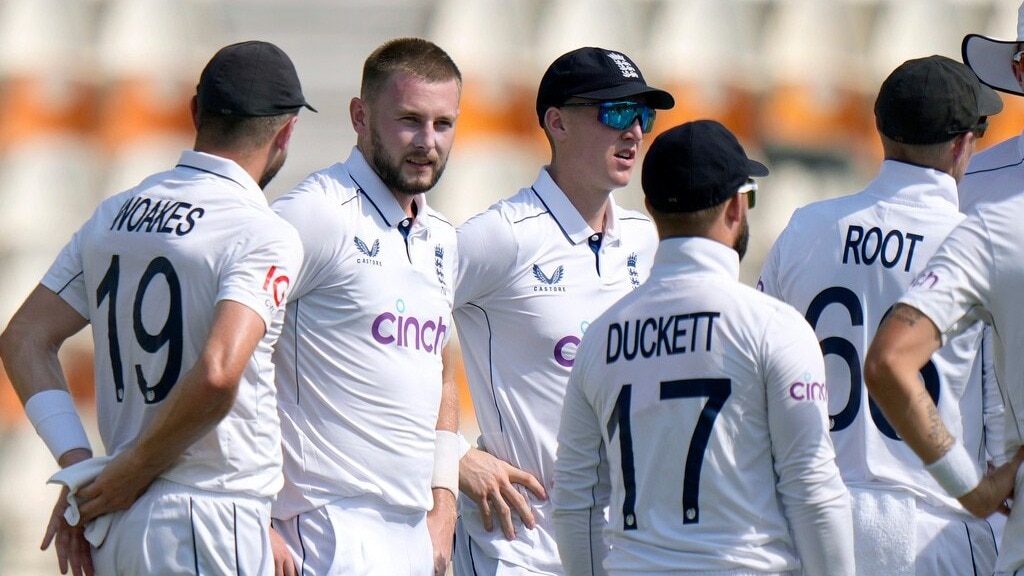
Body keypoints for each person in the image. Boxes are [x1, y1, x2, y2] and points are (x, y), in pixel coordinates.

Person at [0, 40, 312, 575]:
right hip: (207, 514)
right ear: (285, 133)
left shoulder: (114, 213)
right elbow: (218, 374)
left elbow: (23, 338)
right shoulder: (262, 232)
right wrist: (132, 469)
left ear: (195, 112)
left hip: (119, 519)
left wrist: (82, 469)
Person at [553, 119, 855, 576]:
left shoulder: (599, 336)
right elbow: (812, 489)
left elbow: (576, 501)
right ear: (736, 206)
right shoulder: (773, 326)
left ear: (651, 208)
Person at [757, 55, 1004, 575]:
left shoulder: (804, 228)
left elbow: (761, 381)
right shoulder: (980, 244)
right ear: (964, 144)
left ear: (882, 131)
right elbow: (999, 411)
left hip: (816, 523)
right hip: (939, 525)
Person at [452, 46, 673, 575]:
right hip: (519, 545)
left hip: (628, 543)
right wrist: (453, 455)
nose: (635, 132)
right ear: (557, 122)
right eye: (615, 112)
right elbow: (383, 336)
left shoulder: (647, 239)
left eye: (643, 115)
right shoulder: (499, 237)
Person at [268, 37, 461, 576]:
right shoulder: (316, 214)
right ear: (360, 116)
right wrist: (253, 513)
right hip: (327, 530)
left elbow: (443, 370)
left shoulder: (442, 238)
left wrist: (443, 507)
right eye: (409, 120)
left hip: (415, 532)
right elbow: (225, 350)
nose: (427, 142)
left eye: (443, 124)